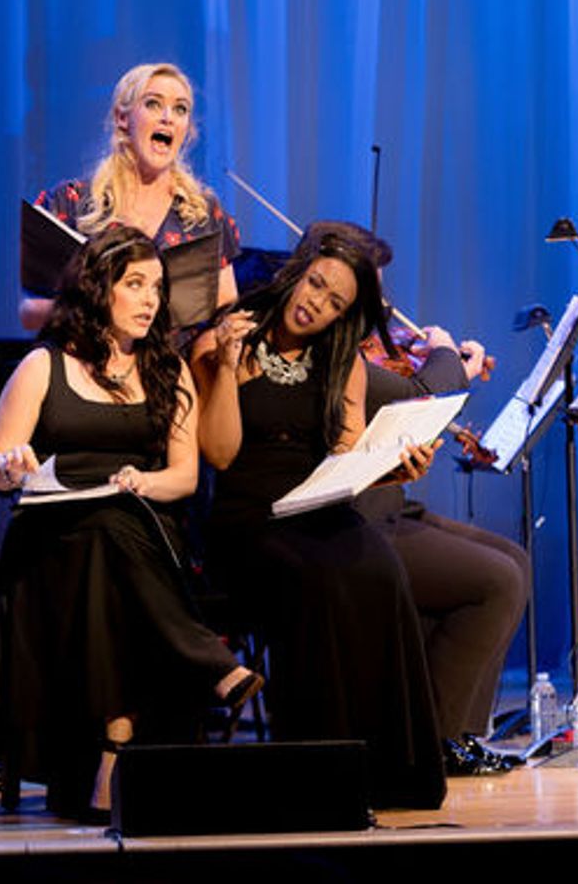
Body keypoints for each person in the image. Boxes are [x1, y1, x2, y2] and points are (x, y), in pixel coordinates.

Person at [0, 226, 260, 821]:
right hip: (50, 545)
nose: (149, 300)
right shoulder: (43, 366)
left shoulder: (169, 370)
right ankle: (206, 662)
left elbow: (185, 476)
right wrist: (11, 466)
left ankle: (117, 738)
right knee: (101, 532)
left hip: (140, 532)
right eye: (134, 284)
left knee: (113, 525)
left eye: (157, 288)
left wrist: (140, 482)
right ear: (98, 288)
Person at [191, 220, 446, 809]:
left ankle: (389, 771)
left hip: (315, 504)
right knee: (321, 580)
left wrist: (392, 469)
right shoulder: (231, 337)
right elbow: (221, 453)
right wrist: (227, 369)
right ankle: (319, 773)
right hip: (246, 519)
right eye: (316, 285)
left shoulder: (343, 360)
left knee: (381, 570)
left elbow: (345, 458)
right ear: (297, 270)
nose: (317, 305)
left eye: (336, 303)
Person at [356, 272, 529, 772]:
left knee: (512, 559)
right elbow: (422, 392)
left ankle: (459, 731)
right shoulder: (346, 359)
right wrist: (446, 354)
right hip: (361, 517)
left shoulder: (371, 354)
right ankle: (431, 740)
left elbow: (419, 392)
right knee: (495, 580)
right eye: (372, 290)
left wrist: (449, 368)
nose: (384, 305)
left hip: (390, 504)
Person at [21, 62, 241, 332]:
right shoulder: (68, 203)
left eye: (180, 109)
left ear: (187, 130)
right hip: (86, 367)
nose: (168, 118)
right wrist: (104, 306)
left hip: (169, 370)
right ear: (122, 118)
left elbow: (226, 307)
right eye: (153, 104)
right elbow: (30, 314)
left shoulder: (204, 214)